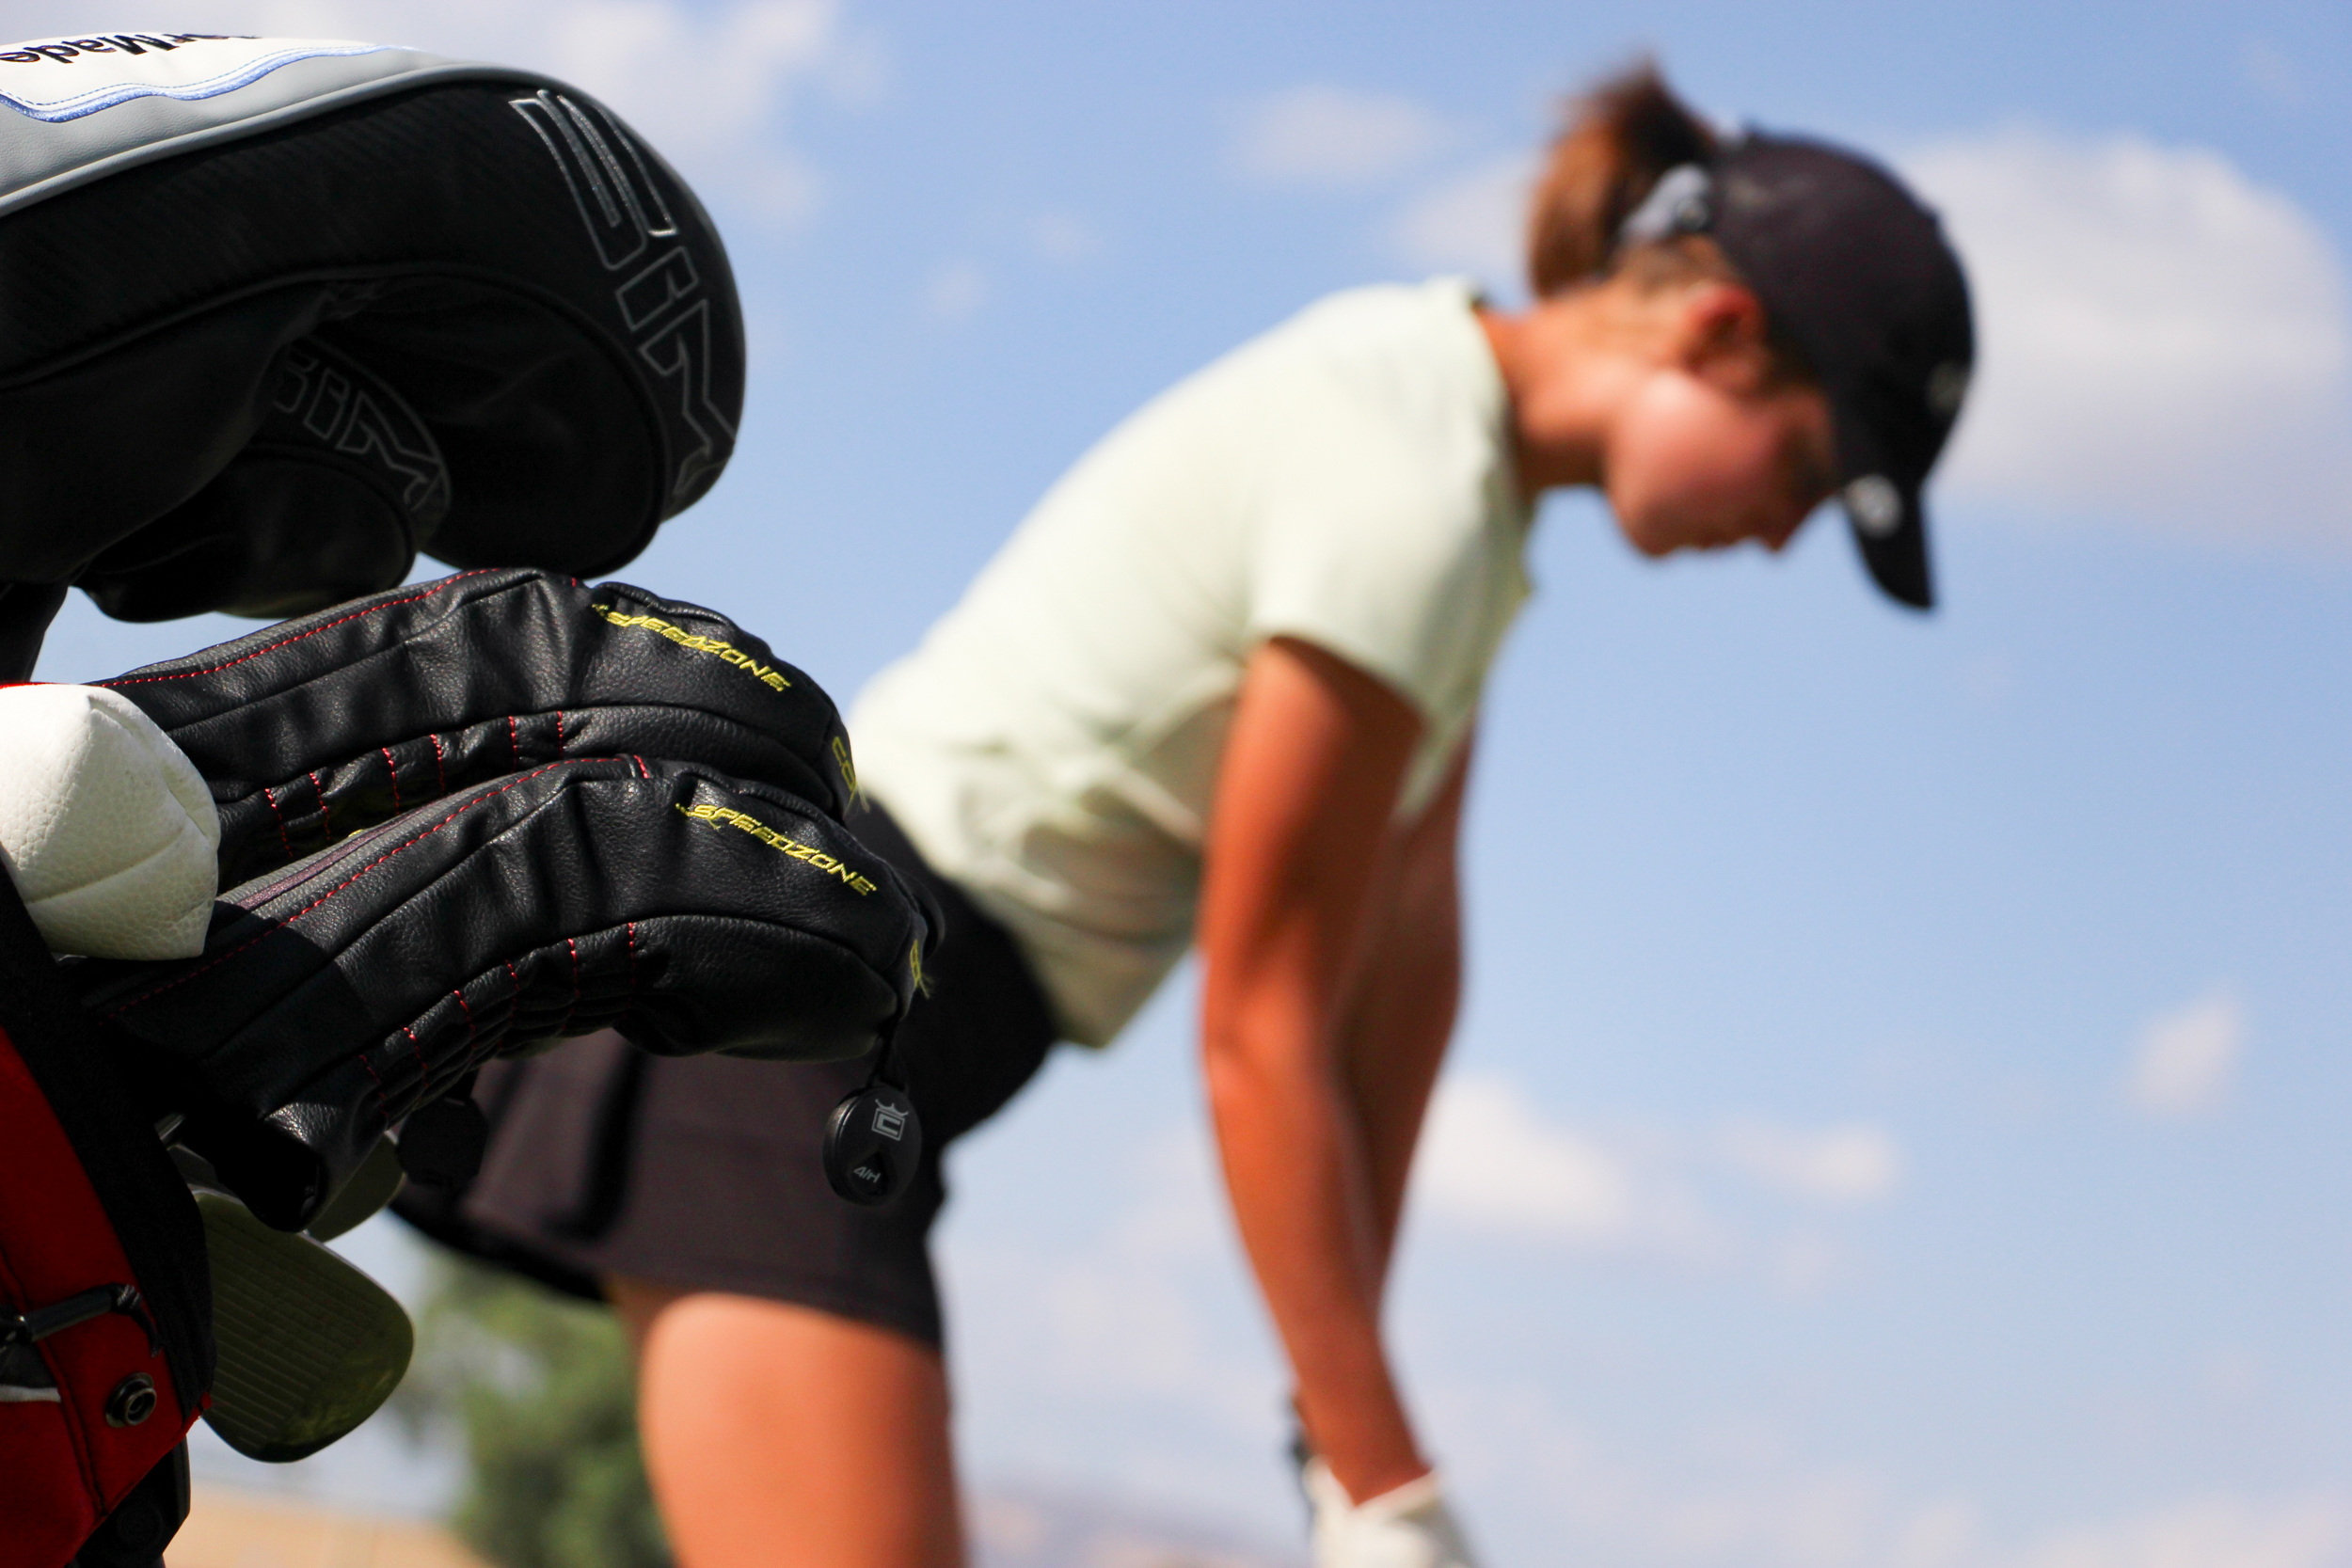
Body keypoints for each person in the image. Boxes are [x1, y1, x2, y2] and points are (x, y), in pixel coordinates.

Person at [429, 61, 1974, 1568]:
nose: (1783, 538)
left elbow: (1403, 977)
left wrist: (1342, 1405)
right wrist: (1384, 1478)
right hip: (794, 1016)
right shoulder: (1413, 488)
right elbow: (1265, 1028)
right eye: (1813, 475)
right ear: (1720, 330)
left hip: (834, 1005)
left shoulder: (1464, 498)